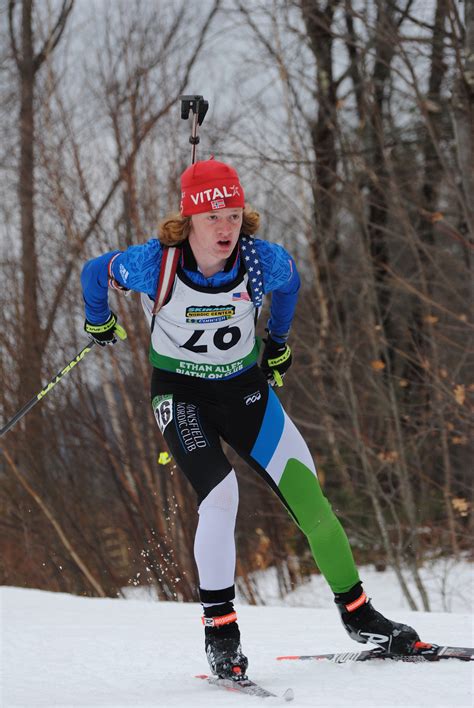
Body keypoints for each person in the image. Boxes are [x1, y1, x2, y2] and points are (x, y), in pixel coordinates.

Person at [81, 158, 419, 679]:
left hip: (244, 390)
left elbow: (291, 285)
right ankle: (221, 633)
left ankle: (360, 616)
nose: (226, 227)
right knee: (221, 496)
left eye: (234, 215)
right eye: (214, 216)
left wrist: (277, 342)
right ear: (189, 219)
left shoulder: (262, 261)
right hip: (182, 394)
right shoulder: (156, 264)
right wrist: (98, 318)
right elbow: (94, 270)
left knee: (310, 496)